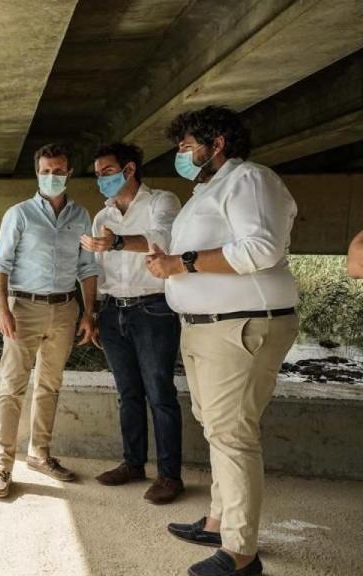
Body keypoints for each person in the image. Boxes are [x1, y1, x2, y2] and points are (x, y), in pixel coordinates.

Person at [145, 106, 299, 576]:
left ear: (218, 145)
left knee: (232, 434)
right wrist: (171, 263)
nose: (181, 154)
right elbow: (208, 252)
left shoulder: (249, 179)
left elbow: (261, 248)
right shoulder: (208, 190)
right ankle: (219, 521)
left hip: (240, 323)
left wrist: (182, 263)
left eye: (188, 145)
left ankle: (240, 553)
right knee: (218, 427)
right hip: (210, 324)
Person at [0, 143, 99, 499]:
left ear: (69, 173)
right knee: (12, 387)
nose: (52, 176)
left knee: (50, 385)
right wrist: (3, 310)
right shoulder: (18, 215)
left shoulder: (81, 216)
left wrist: (88, 312)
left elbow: (87, 268)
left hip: (66, 309)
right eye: (46, 170)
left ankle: (39, 454)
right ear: (38, 173)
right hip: (24, 309)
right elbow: (0, 265)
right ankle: (1, 466)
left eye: (59, 170)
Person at [79, 142, 185, 504]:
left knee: (160, 393)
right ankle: (133, 464)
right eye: (97, 174)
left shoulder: (162, 202)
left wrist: (119, 241)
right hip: (112, 311)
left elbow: (164, 241)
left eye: (107, 171)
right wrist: (90, 313)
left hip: (154, 308)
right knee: (128, 394)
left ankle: (170, 476)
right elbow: (93, 268)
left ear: (130, 169)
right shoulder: (102, 216)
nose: (101, 179)